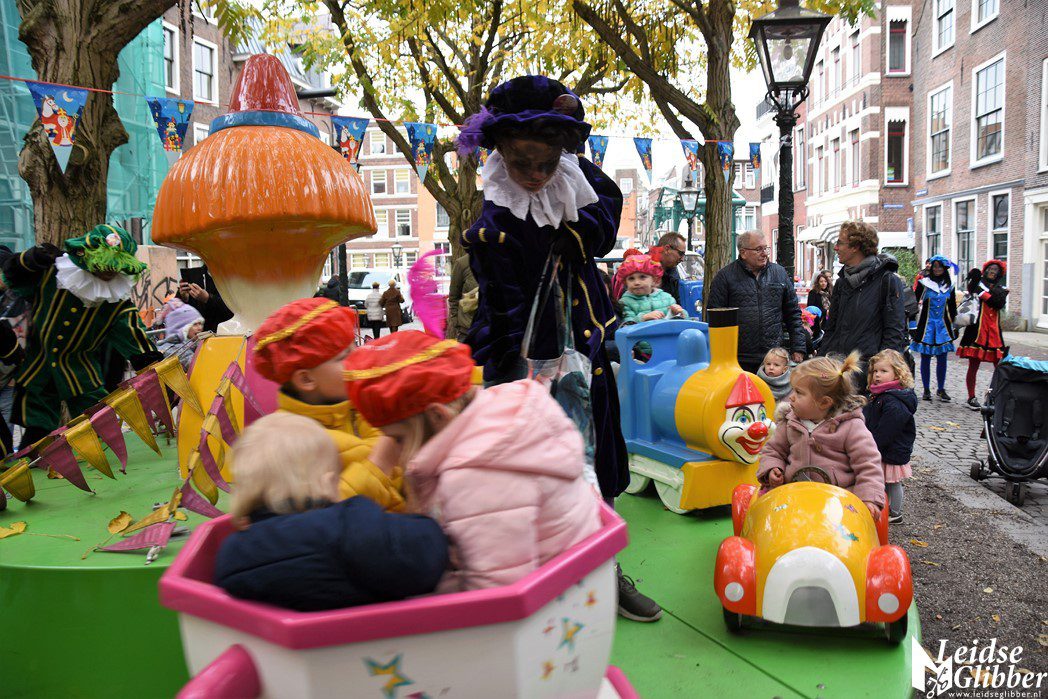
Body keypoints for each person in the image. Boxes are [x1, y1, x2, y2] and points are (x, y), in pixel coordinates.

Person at [456, 76, 657, 621]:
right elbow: (502, 305)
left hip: (586, 357)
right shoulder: (495, 222)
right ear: (500, 151)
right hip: (527, 366)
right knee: (531, 473)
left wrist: (573, 223)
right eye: (522, 161)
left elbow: (604, 220)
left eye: (546, 161)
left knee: (597, 462)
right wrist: (509, 378)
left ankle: (604, 569)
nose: (535, 174)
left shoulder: (577, 187)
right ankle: (533, 579)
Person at [343, 331, 602, 592]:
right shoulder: (502, 408)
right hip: (573, 576)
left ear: (437, 415)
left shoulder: (477, 473)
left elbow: (497, 589)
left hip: (554, 599)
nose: (394, 454)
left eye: (398, 439)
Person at [213, 412, 449, 612]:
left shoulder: (231, 553)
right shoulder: (350, 522)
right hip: (372, 641)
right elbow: (427, 555)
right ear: (328, 482)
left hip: (288, 649)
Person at [3, 225, 161, 449]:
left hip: (82, 375)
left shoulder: (116, 301)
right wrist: (29, 260)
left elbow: (135, 338)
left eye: (115, 265)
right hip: (37, 373)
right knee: (36, 439)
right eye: (105, 263)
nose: (109, 271)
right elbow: (12, 279)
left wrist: (153, 369)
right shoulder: (53, 275)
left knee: (103, 431)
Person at [252, 298, 403, 510]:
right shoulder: (288, 444)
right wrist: (379, 464)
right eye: (344, 356)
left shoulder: (366, 407)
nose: (359, 358)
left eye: (356, 346)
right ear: (306, 379)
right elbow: (323, 516)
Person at [756, 353, 885, 519]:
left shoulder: (851, 426)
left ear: (824, 402)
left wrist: (868, 498)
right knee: (764, 510)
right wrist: (773, 468)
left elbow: (868, 464)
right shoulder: (789, 421)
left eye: (799, 393)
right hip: (793, 497)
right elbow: (773, 450)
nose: (791, 397)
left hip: (838, 503)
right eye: (793, 390)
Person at [817, 221, 909, 389]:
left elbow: (894, 332)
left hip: (868, 375)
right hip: (839, 372)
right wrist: (821, 362)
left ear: (855, 247)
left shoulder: (887, 281)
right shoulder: (842, 283)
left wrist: (880, 373)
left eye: (840, 243)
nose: (836, 248)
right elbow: (831, 329)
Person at [706, 230, 805, 374]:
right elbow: (715, 319)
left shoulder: (779, 274)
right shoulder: (725, 277)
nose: (764, 254)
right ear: (743, 253)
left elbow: (793, 313)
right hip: (739, 359)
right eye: (759, 249)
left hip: (772, 358)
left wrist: (798, 347)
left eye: (766, 248)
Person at [863, 349, 916, 524]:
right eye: (875, 371)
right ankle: (884, 508)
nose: (877, 375)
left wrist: (872, 445)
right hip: (883, 448)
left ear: (897, 374)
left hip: (891, 450)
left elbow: (887, 430)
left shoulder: (893, 401)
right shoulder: (879, 395)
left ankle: (895, 512)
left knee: (893, 483)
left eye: (883, 371)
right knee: (883, 481)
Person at [957, 259, 1009, 410]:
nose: (992, 272)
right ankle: (971, 397)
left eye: (995, 270)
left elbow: (997, 303)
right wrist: (974, 279)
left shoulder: (1001, 290)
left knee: (1000, 367)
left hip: (994, 333)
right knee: (973, 366)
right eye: (990, 269)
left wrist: (981, 292)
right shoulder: (978, 285)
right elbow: (971, 289)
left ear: (999, 274)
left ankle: (996, 396)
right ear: (985, 271)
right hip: (977, 332)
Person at [909, 255, 957, 402]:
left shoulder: (949, 286)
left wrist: (955, 326)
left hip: (943, 327)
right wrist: (912, 324)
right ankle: (926, 389)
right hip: (926, 326)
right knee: (925, 358)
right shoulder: (924, 283)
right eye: (935, 266)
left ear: (944, 268)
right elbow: (913, 304)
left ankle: (941, 389)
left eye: (940, 266)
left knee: (942, 358)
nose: (937, 269)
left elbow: (952, 308)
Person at [615, 253, 684, 324]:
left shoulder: (667, 298)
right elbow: (626, 324)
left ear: (654, 280)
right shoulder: (625, 302)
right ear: (625, 282)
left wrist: (679, 312)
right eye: (631, 278)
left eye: (642, 277)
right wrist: (643, 318)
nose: (636, 282)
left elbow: (682, 322)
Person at [178, 265, 232, 334]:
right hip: (200, 336)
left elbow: (234, 310)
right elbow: (178, 314)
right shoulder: (196, 274)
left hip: (225, 333)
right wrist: (184, 298)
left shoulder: (231, 275)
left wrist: (208, 298)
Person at [446, 252, 478, 342]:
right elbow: (453, 297)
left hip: (493, 331)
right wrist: (457, 324)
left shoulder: (499, 261)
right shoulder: (462, 263)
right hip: (467, 331)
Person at [651, 232, 687, 304]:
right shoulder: (642, 270)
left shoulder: (673, 275)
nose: (682, 259)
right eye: (680, 253)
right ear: (667, 249)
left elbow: (676, 303)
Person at [806, 270, 832, 338]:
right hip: (818, 321)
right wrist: (825, 312)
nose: (823, 283)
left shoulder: (830, 292)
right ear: (817, 283)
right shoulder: (813, 293)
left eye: (825, 281)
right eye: (821, 281)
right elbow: (811, 307)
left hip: (830, 320)